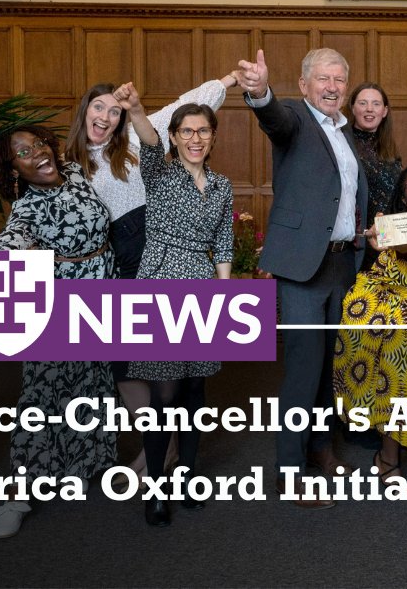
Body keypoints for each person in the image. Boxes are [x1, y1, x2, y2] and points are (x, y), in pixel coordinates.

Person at [0, 124, 117, 539]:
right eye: (23, 154)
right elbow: (7, 241)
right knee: (42, 390)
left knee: (92, 383)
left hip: (100, 291)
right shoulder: (28, 208)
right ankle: (19, 492)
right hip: (57, 298)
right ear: (14, 170)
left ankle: (80, 468)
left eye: (38, 145)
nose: (37, 155)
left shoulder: (74, 171)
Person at [64, 73, 237, 485]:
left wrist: (229, 79)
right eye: (98, 107)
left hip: (161, 244)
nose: (106, 116)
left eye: (114, 109)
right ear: (85, 113)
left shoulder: (140, 144)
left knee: (179, 369)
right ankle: (157, 445)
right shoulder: (71, 164)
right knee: (124, 363)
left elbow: (192, 103)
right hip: (119, 259)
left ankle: (163, 451)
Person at [238, 48, 368, 510]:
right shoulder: (293, 115)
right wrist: (259, 93)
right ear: (305, 83)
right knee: (301, 368)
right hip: (300, 267)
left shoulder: (343, 131)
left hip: (340, 264)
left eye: (339, 79)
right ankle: (289, 472)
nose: (333, 87)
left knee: (328, 368)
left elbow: (341, 194)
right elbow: (273, 119)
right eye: (324, 79)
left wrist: (360, 230)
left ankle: (320, 448)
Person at [117, 85, 232, 526]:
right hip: (161, 283)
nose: (195, 138)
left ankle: (187, 479)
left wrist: (223, 297)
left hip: (204, 288)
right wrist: (139, 109)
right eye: (186, 131)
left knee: (194, 393)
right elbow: (147, 139)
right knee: (164, 395)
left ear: (213, 136)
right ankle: (156, 489)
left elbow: (223, 242)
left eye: (203, 130)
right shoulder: (161, 174)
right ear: (176, 136)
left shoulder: (221, 186)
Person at [334, 162, 407, 484]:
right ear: (403, 199)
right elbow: (403, 243)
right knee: (400, 383)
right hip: (388, 310)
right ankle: (386, 458)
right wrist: (386, 235)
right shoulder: (404, 226)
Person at [346, 81, 402, 270]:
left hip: (386, 242)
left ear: (384, 111)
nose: (369, 109)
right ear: (353, 108)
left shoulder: (390, 150)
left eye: (376, 104)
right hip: (355, 245)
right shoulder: (343, 145)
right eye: (363, 103)